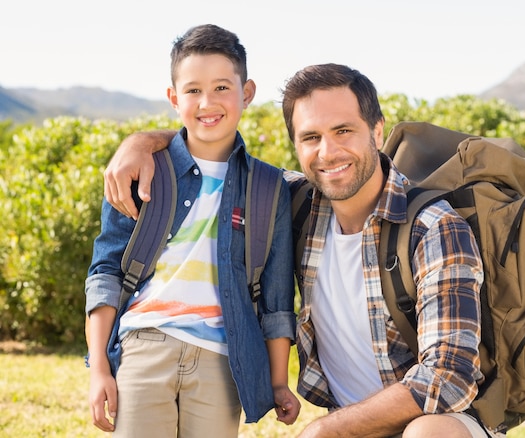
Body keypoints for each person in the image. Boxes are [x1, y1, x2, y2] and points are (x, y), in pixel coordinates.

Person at [104, 64, 499, 438]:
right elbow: (212, 149)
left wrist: (326, 430)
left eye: (344, 130)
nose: (328, 152)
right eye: (311, 137)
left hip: (434, 423)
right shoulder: (291, 205)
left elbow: (449, 377)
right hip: (350, 428)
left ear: (377, 132)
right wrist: (141, 143)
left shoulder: (433, 228)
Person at [85, 24, 300, 437]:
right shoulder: (140, 172)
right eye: (193, 90)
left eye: (222, 87)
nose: (207, 102)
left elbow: (276, 299)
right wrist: (99, 369)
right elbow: (106, 273)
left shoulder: (269, 188)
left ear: (247, 92)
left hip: (223, 358)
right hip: (144, 345)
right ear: (173, 98)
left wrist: (276, 381)